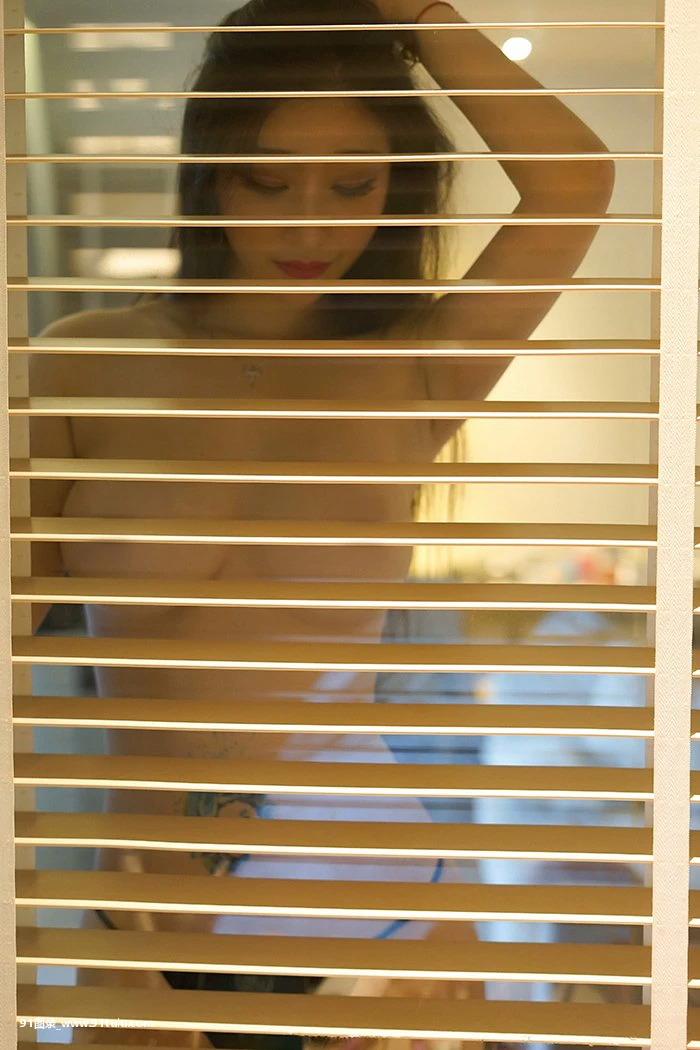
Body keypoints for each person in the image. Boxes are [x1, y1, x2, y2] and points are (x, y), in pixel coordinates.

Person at [28, 1, 614, 1046]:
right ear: (210, 173)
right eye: (268, 182)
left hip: (376, 917)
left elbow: (573, 180)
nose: (311, 227)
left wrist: (414, 13)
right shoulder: (79, 368)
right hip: (142, 915)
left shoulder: (413, 366)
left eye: (354, 185)